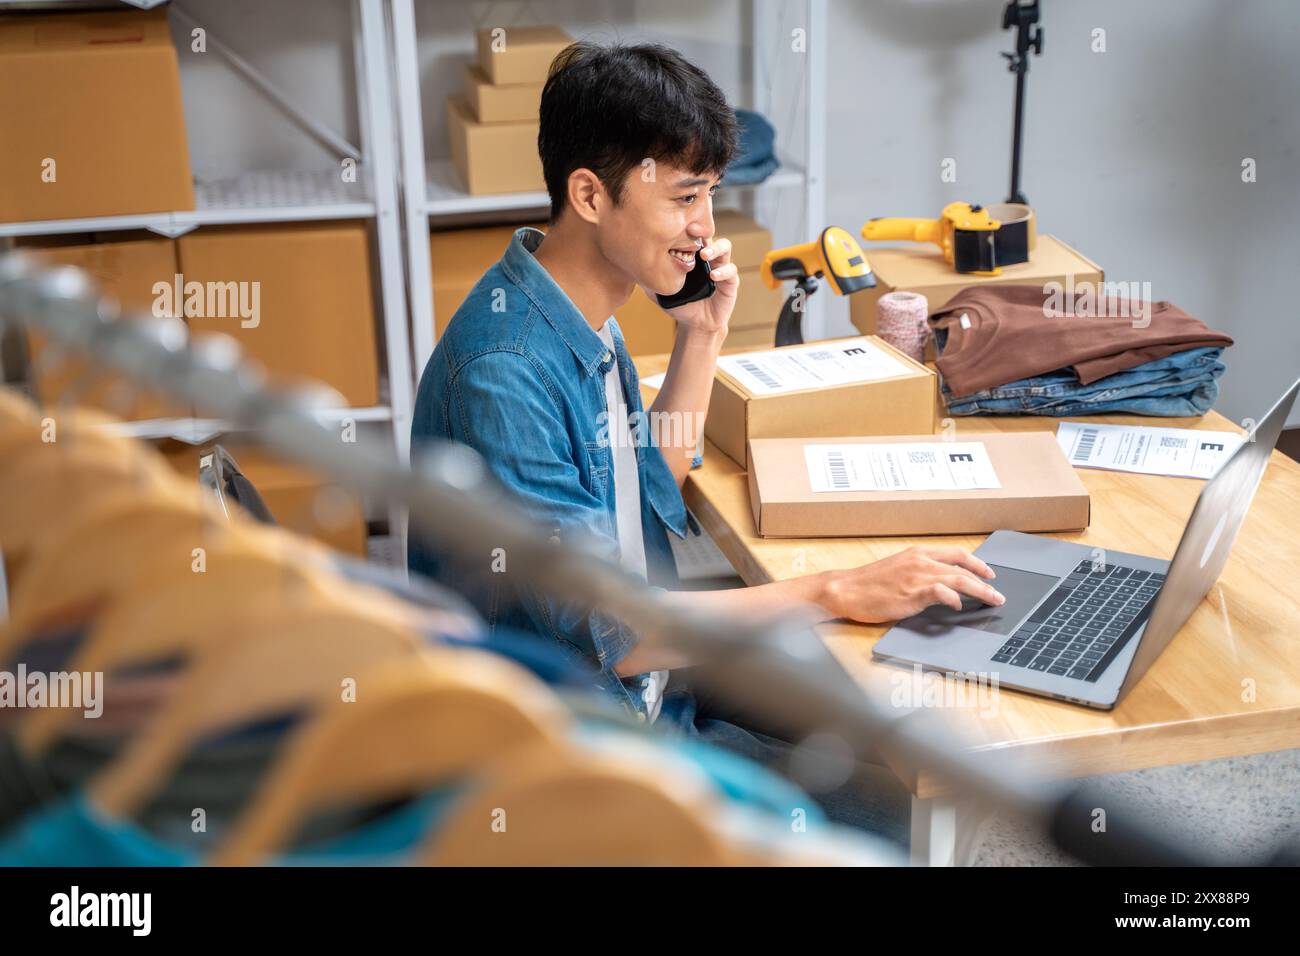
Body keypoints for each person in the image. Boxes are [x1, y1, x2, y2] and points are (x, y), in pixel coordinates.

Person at [409, 41, 1004, 838]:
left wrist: (700, 338)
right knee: (893, 821)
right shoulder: (506, 371)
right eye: (686, 198)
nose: (703, 229)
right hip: (580, 743)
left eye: (710, 196)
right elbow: (617, 636)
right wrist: (834, 588)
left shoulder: (571, 304)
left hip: (649, 680)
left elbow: (656, 476)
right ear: (590, 195)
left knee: (892, 730)